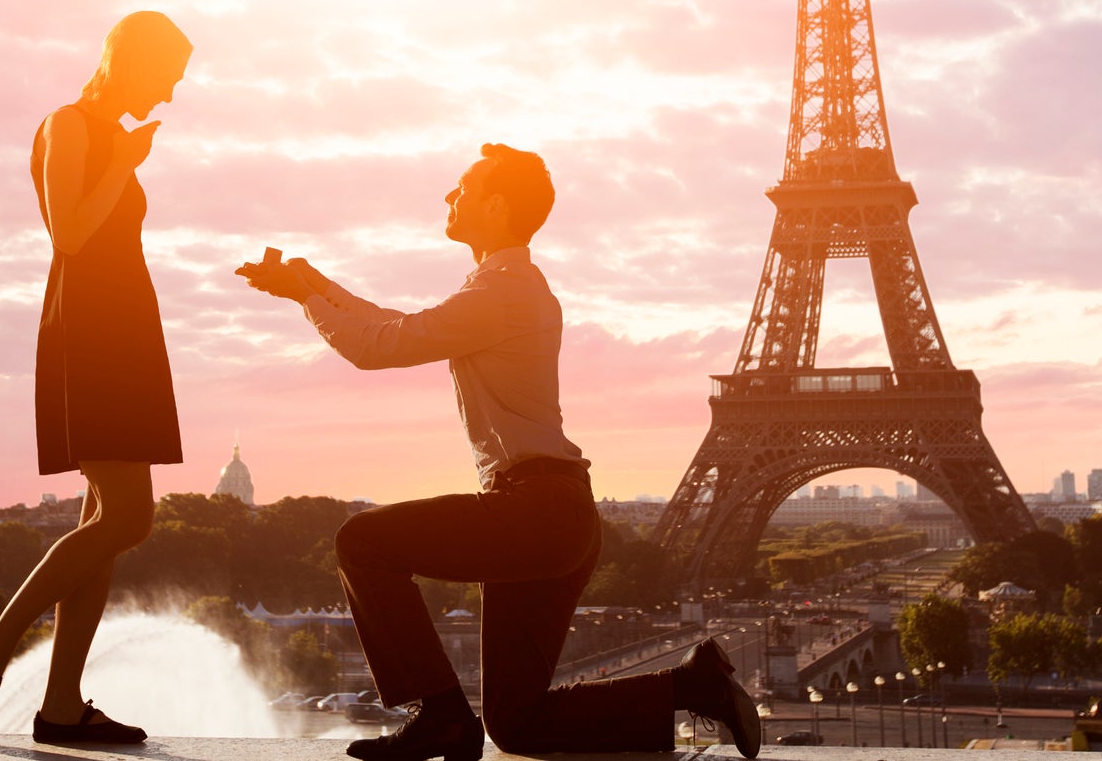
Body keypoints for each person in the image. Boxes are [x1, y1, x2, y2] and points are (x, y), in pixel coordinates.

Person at [237, 144, 760, 760]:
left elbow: (378, 345)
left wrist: (307, 297)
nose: (448, 197)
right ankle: (692, 686)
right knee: (518, 723)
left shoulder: (504, 292)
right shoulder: (503, 289)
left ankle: (438, 716)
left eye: (461, 187)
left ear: (495, 203)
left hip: (533, 509)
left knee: (363, 543)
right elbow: (395, 325)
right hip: (553, 514)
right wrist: (314, 286)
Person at [0, 11, 194, 747]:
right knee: (128, 519)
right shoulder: (70, 125)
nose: (170, 95)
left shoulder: (105, 133)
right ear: (129, 60)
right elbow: (69, 235)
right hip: (90, 335)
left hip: (124, 332)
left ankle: (59, 708)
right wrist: (123, 160)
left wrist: (124, 156)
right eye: (167, 76)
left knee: (104, 524)